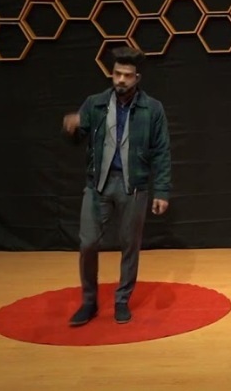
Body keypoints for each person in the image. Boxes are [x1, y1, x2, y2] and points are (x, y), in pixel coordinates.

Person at [61, 46, 171, 326]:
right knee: (88, 243)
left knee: (130, 244)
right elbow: (78, 137)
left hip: (133, 185)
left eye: (127, 75)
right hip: (98, 184)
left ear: (137, 78)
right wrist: (71, 128)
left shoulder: (152, 108)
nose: (121, 79)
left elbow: (161, 151)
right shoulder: (95, 103)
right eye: (117, 73)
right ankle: (89, 301)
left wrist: (162, 191)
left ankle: (122, 300)